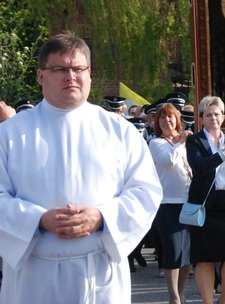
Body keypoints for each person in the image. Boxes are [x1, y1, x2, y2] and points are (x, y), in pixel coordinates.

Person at [0, 32, 163, 302]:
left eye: (78, 69)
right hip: (32, 276)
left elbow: (146, 192)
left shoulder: (118, 131)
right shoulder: (11, 134)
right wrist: (37, 219)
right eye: (60, 69)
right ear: (41, 76)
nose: (71, 76)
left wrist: (101, 216)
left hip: (98, 274)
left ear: (90, 74)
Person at [187, 96, 225, 304]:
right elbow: (201, 168)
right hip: (205, 205)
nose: (213, 118)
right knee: (204, 258)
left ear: (223, 117)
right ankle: (207, 301)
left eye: (216, 114)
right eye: (208, 115)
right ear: (201, 118)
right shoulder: (195, 141)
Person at [149, 103, 194, 304]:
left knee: (187, 252)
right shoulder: (156, 143)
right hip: (167, 203)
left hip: (188, 201)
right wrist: (181, 143)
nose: (167, 121)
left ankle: (182, 291)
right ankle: (173, 296)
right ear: (157, 123)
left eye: (171, 117)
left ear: (178, 120)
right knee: (173, 249)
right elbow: (169, 161)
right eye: (162, 118)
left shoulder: (185, 142)